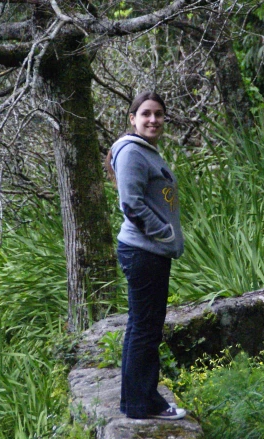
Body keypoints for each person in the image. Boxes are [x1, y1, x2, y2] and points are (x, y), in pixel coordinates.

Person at [105, 92, 187, 420]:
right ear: (133, 118)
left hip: (150, 251)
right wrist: (164, 233)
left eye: (159, 114)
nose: (153, 120)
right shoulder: (132, 154)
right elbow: (131, 204)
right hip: (144, 251)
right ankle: (143, 405)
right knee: (145, 329)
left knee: (144, 327)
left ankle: (136, 401)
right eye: (146, 114)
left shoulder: (145, 151)